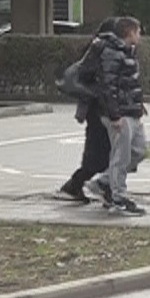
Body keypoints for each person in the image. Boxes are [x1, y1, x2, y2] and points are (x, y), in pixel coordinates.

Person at [87, 16, 149, 217]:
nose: (139, 36)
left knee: (139, 150)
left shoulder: (128, 51)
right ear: (130, 32)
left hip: (131, 110)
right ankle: (118, 197)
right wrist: (114, 114)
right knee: (120, 156)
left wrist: (139, 105)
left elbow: (129, 83)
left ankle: (104, 181)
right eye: (138, 31)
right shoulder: (111, 52)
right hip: (118, 114)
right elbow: (108, 85)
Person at [54, 19, 117, 204]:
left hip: (104, 107)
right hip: (97, 109)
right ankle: (75, 185)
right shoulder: (97, 51)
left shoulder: (104, 50)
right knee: (98, 153)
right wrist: (98, 94)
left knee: (110, 152)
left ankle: (101, 186)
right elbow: (89, 78)